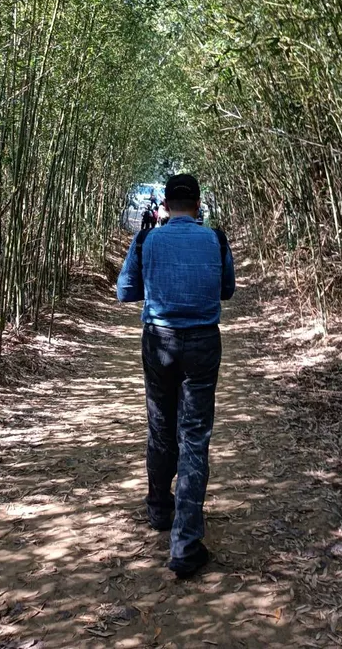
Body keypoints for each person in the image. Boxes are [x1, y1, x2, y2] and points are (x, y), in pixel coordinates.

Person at [116, 173, 236, 579]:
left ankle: (158, 509)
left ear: (165, 205)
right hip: (203, 342)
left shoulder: (148, 239)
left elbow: (125, 292)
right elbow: (227, 290)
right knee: (195, 437)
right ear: (198, 204)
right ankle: (185, 543)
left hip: (158, 341)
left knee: (161, 427)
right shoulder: (215, 240)